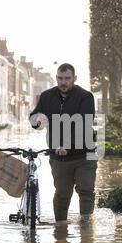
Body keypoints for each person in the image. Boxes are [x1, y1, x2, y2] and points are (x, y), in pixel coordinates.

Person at [29, 63, 98, 222]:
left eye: (67, 78)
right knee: (62, 194)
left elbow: (83, 124)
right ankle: (60, 229)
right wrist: (36, 121)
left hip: (84, 154)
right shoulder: (47, 96)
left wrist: (67, 145)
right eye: (60, 78)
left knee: (86, 191)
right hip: (59, 157)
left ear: (74, 78)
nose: (63, 82)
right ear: (56, 78)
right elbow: (35, 117)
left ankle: (86, 229)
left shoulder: (85, 97)